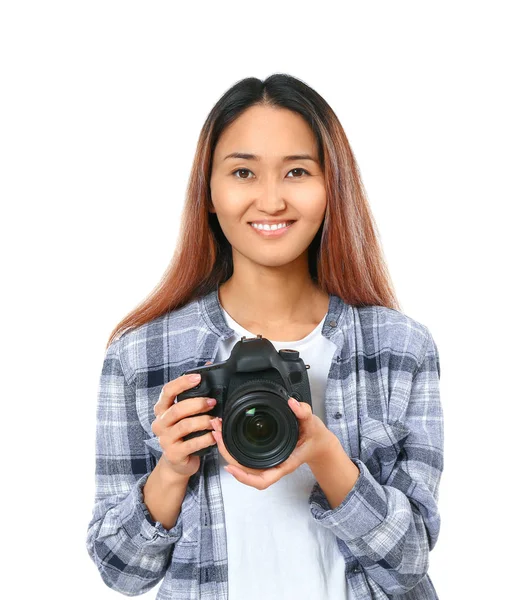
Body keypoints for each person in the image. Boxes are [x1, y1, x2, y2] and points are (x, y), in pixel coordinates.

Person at [85, 73, 443, 600]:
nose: (271, 200)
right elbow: (122, 573)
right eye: (244, 172)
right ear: (209, 192)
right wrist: (171, 471)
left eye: (296, 171)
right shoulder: (141, 356)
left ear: (330, 186)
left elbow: (408, 565)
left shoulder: (400, 348)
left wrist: (325, 454)